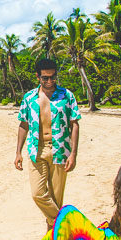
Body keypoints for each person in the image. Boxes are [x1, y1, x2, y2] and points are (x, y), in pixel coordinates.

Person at [13, 58, 81, 230]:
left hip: (61, 150)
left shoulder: (67, 95)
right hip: (37, 150)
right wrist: (18, 152)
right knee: (38, 194)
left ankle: (53, 236)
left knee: (56, 198)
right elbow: (23, 125)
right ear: (38, 77)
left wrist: (73, 154)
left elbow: (75, 124)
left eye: (53, 77)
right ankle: (62, 224)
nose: (49, 81)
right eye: (45, 78)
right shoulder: (29, 98)